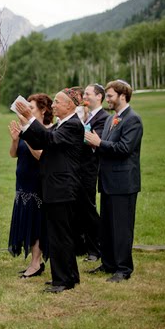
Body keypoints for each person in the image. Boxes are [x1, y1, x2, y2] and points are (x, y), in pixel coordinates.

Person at [16, 87, 84, 293]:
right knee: (62, 234)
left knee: (59, 235)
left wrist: (31, 118)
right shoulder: (62, 124)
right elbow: (41, 140)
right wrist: (26, 124)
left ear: (70, 105)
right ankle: (70, 274)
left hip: (61, 187)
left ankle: (62, 280)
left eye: (57, 101)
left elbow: (50, 140)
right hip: (57, 186)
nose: (53, 105)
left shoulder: (72, 125)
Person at [84, 80, 143, 282]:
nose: (107, 99)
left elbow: (125, 148)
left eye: (109, 96)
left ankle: (123, 268)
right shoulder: (111, 119)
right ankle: (108, 263)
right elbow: (105, 148)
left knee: (122, 228)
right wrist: (94, 146)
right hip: (108, 181)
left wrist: (100, 142)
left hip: (124, 183)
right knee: (107, 227)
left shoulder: (133, 119)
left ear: (122, 96)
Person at [7, 93, 53, 278]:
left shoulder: (48, 131)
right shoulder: (26, 130)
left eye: (31, 107)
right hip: (22, 183)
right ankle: (35, 262)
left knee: (37, 224)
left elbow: (41, 155)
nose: (28, 110)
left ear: (43, 110)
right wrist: (16, 139)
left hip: (37, 183)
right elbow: (13, 154)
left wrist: (27, 134)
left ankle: (35, 264)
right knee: (27, 221)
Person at [77, 83, 109, 262]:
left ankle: (96, 249)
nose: (85, 97)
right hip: (79, 168)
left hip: (90, 168)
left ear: (99, 97)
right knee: (81, 208)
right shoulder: (88, 117)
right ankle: (84, 244)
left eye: (88, 94)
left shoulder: (104, 118)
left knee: (88, 208)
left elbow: (97, 141)